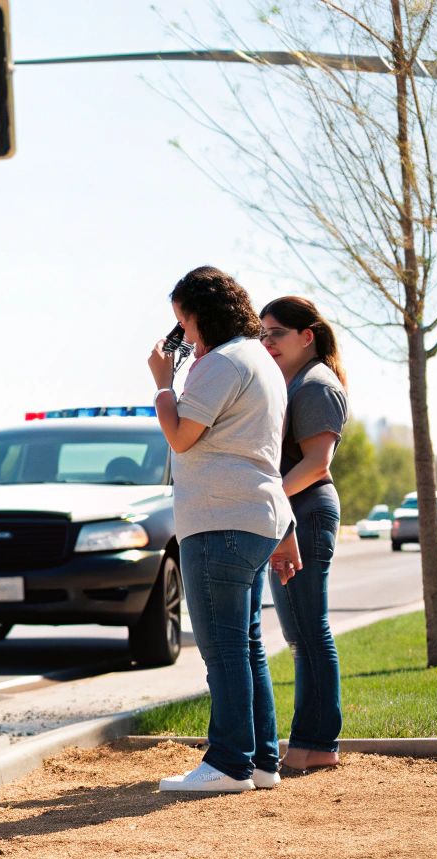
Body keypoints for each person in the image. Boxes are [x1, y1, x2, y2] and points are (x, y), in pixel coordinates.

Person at [146, 266, 301, 794]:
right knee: (247, 644)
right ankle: (261, 760)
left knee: (224, 650)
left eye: (183, 324)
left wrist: (164, 385)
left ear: (201, 315)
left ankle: (229, 763)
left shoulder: (222, 363)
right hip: (254, 517)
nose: (182, 337)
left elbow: (183, 436)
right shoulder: (258, 359)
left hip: (219, 521)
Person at [259, 296, 349, 772]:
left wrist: (271, 498)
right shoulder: (293, 382)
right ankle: (314, 745)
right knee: (302, 634)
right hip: (293, 510)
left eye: (276, 333)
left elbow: (317, 464)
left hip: (306, 511)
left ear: (306, 335)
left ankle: (316, 744)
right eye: (262, 335)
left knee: (310, 632)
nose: (266, 342)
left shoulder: (316, 385)